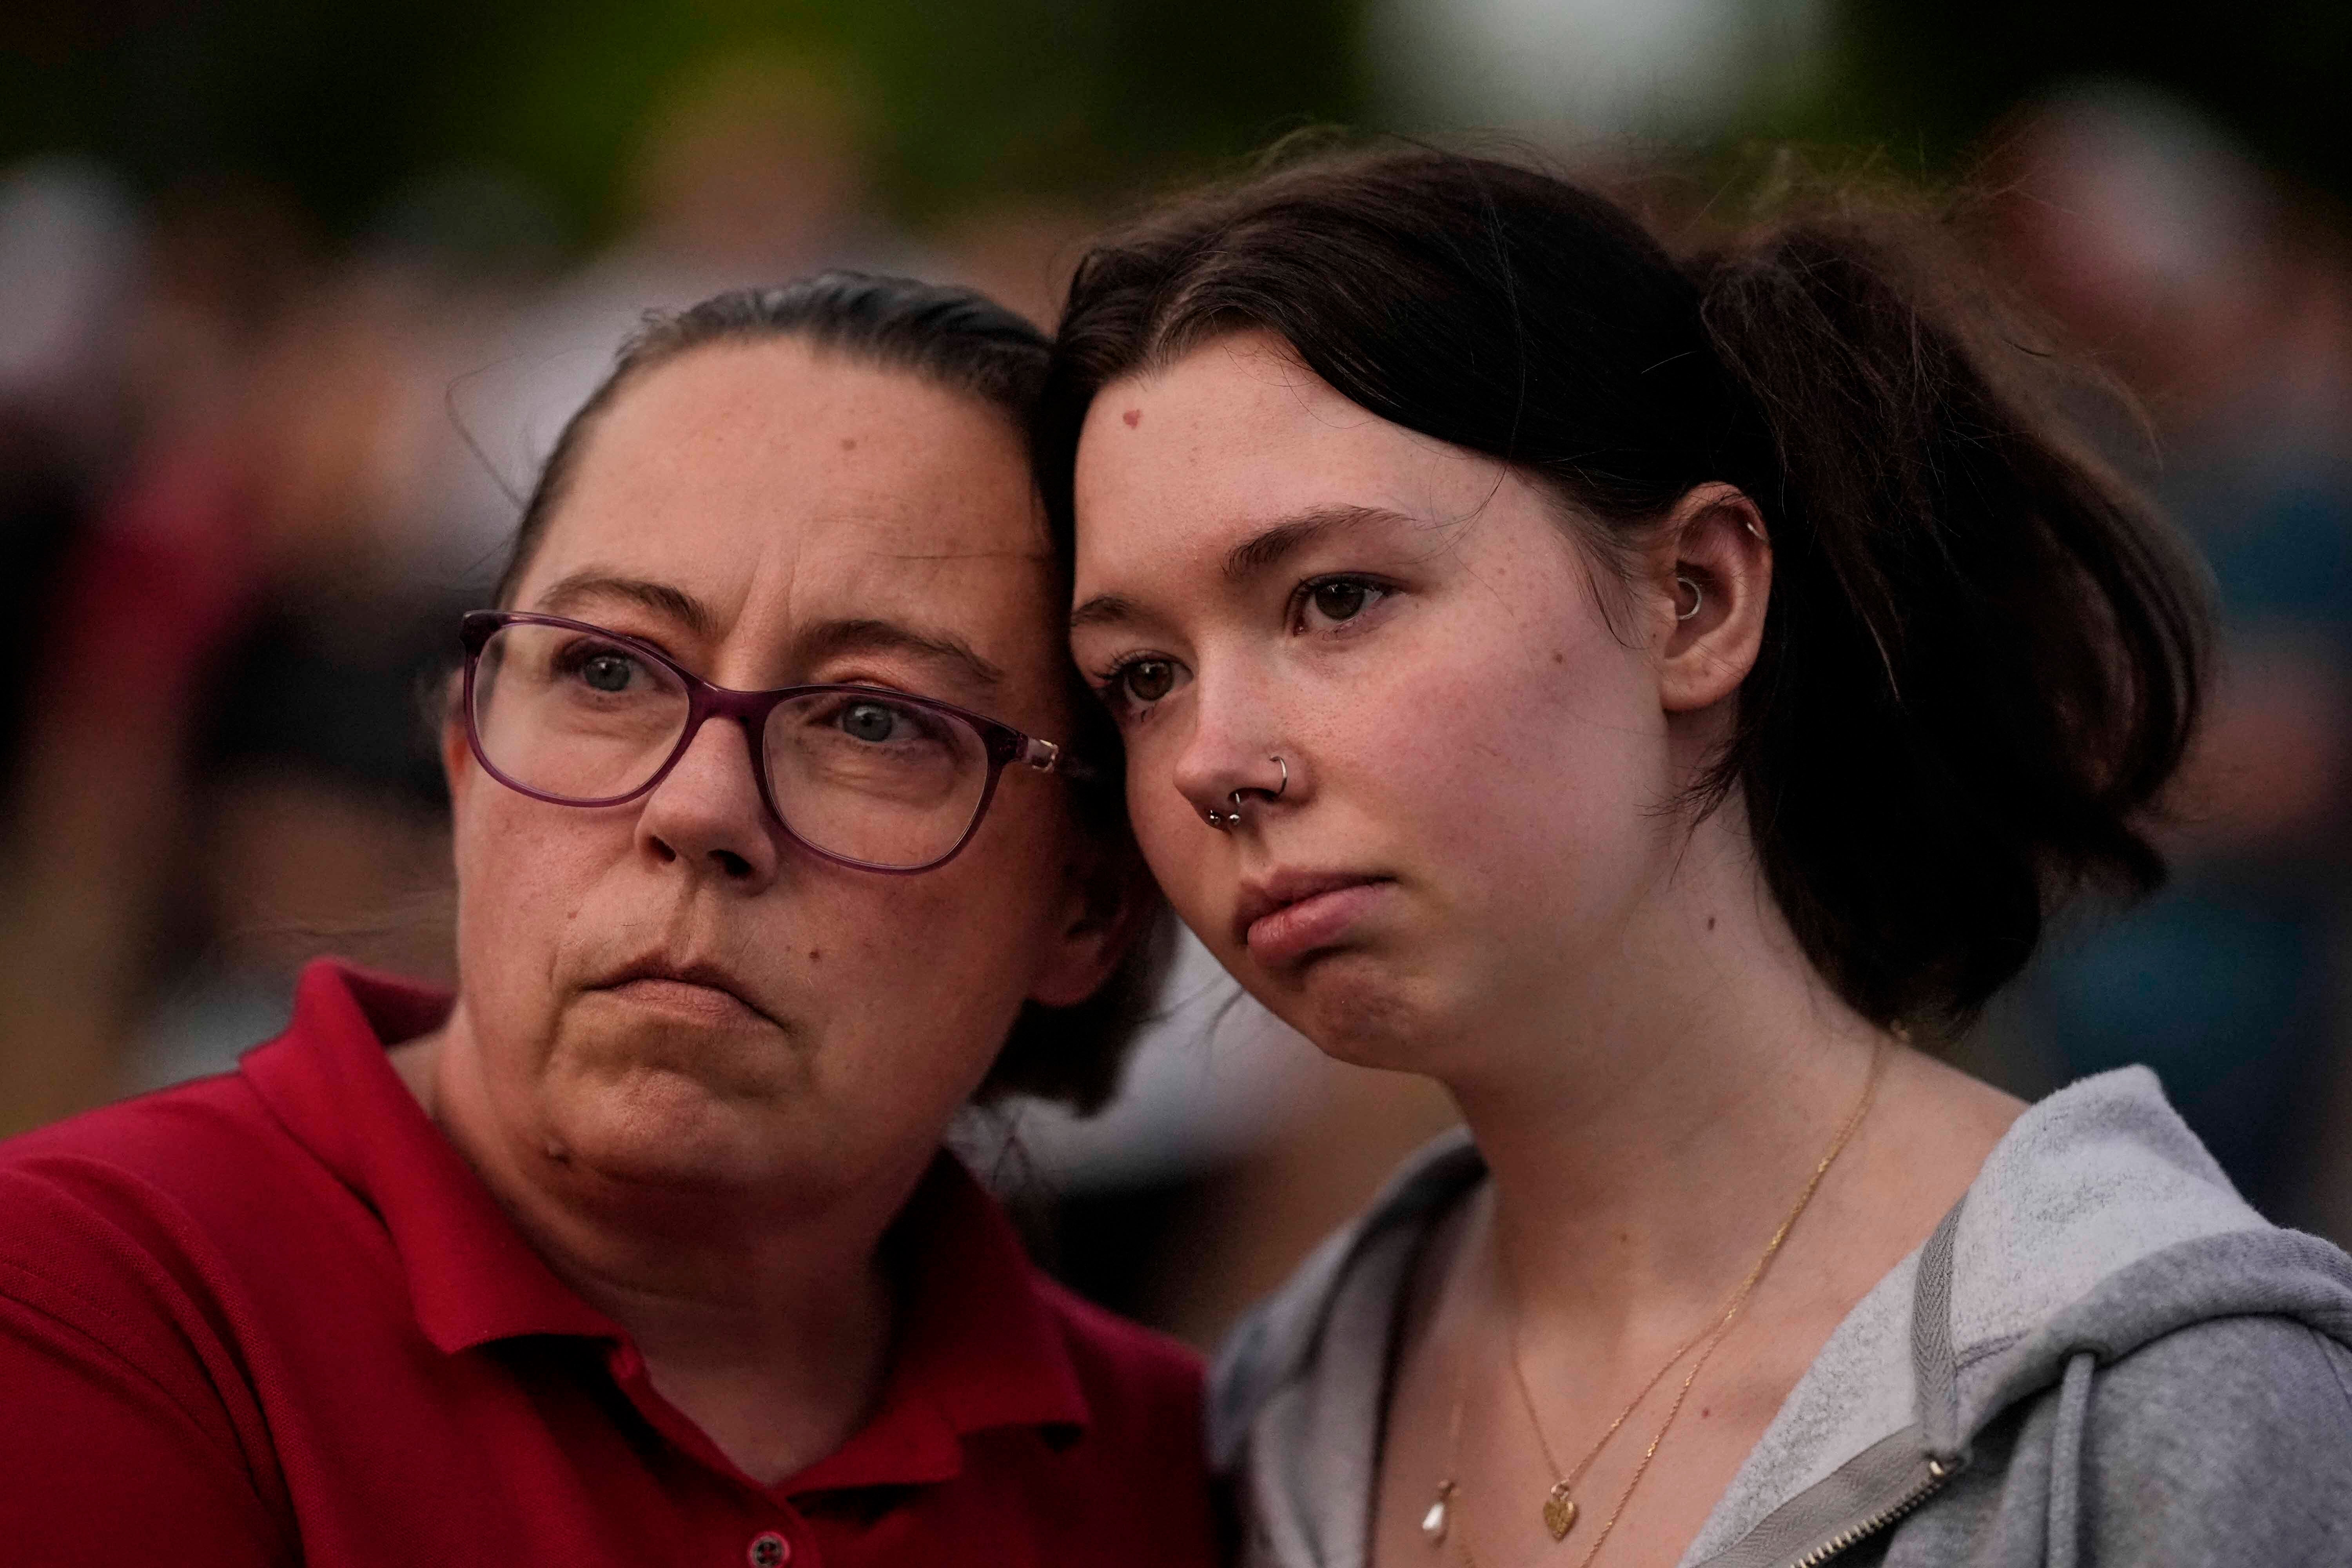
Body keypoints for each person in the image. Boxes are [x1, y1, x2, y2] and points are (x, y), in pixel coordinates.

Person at [1044, 148, 2352, 1568]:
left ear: (1695, 597)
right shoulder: (1283, 1406)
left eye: (1335, 597)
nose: (1211, 763)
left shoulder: (2156, 1401)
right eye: (1141, 676)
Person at [0, 273, 1220, 1568]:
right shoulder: (94, 1307)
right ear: (467, 745)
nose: (700, 807)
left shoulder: (1170, 1472)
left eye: (876, 720)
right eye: (606, 668)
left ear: (1087, 905)